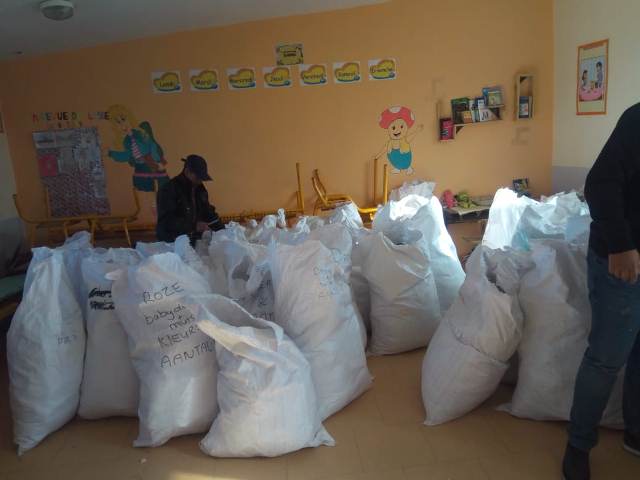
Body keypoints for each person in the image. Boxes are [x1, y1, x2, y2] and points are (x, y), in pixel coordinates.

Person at [562, 104, 640, 480]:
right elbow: (600, 184)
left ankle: (635, 433)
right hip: (621, 260)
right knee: (606, 358)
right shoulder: (638, 120)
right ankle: (578, 444)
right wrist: (621, 245)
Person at [156, 154, 224, 243]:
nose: (200, 181)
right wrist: (194, 226)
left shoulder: (199, 189)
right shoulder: (168, 189)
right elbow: (167, 221)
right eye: (198, 177)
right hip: (172, 241)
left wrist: (222, 230)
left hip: (193, 238)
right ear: (187, 171)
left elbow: (207, 211)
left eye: (202, 178)